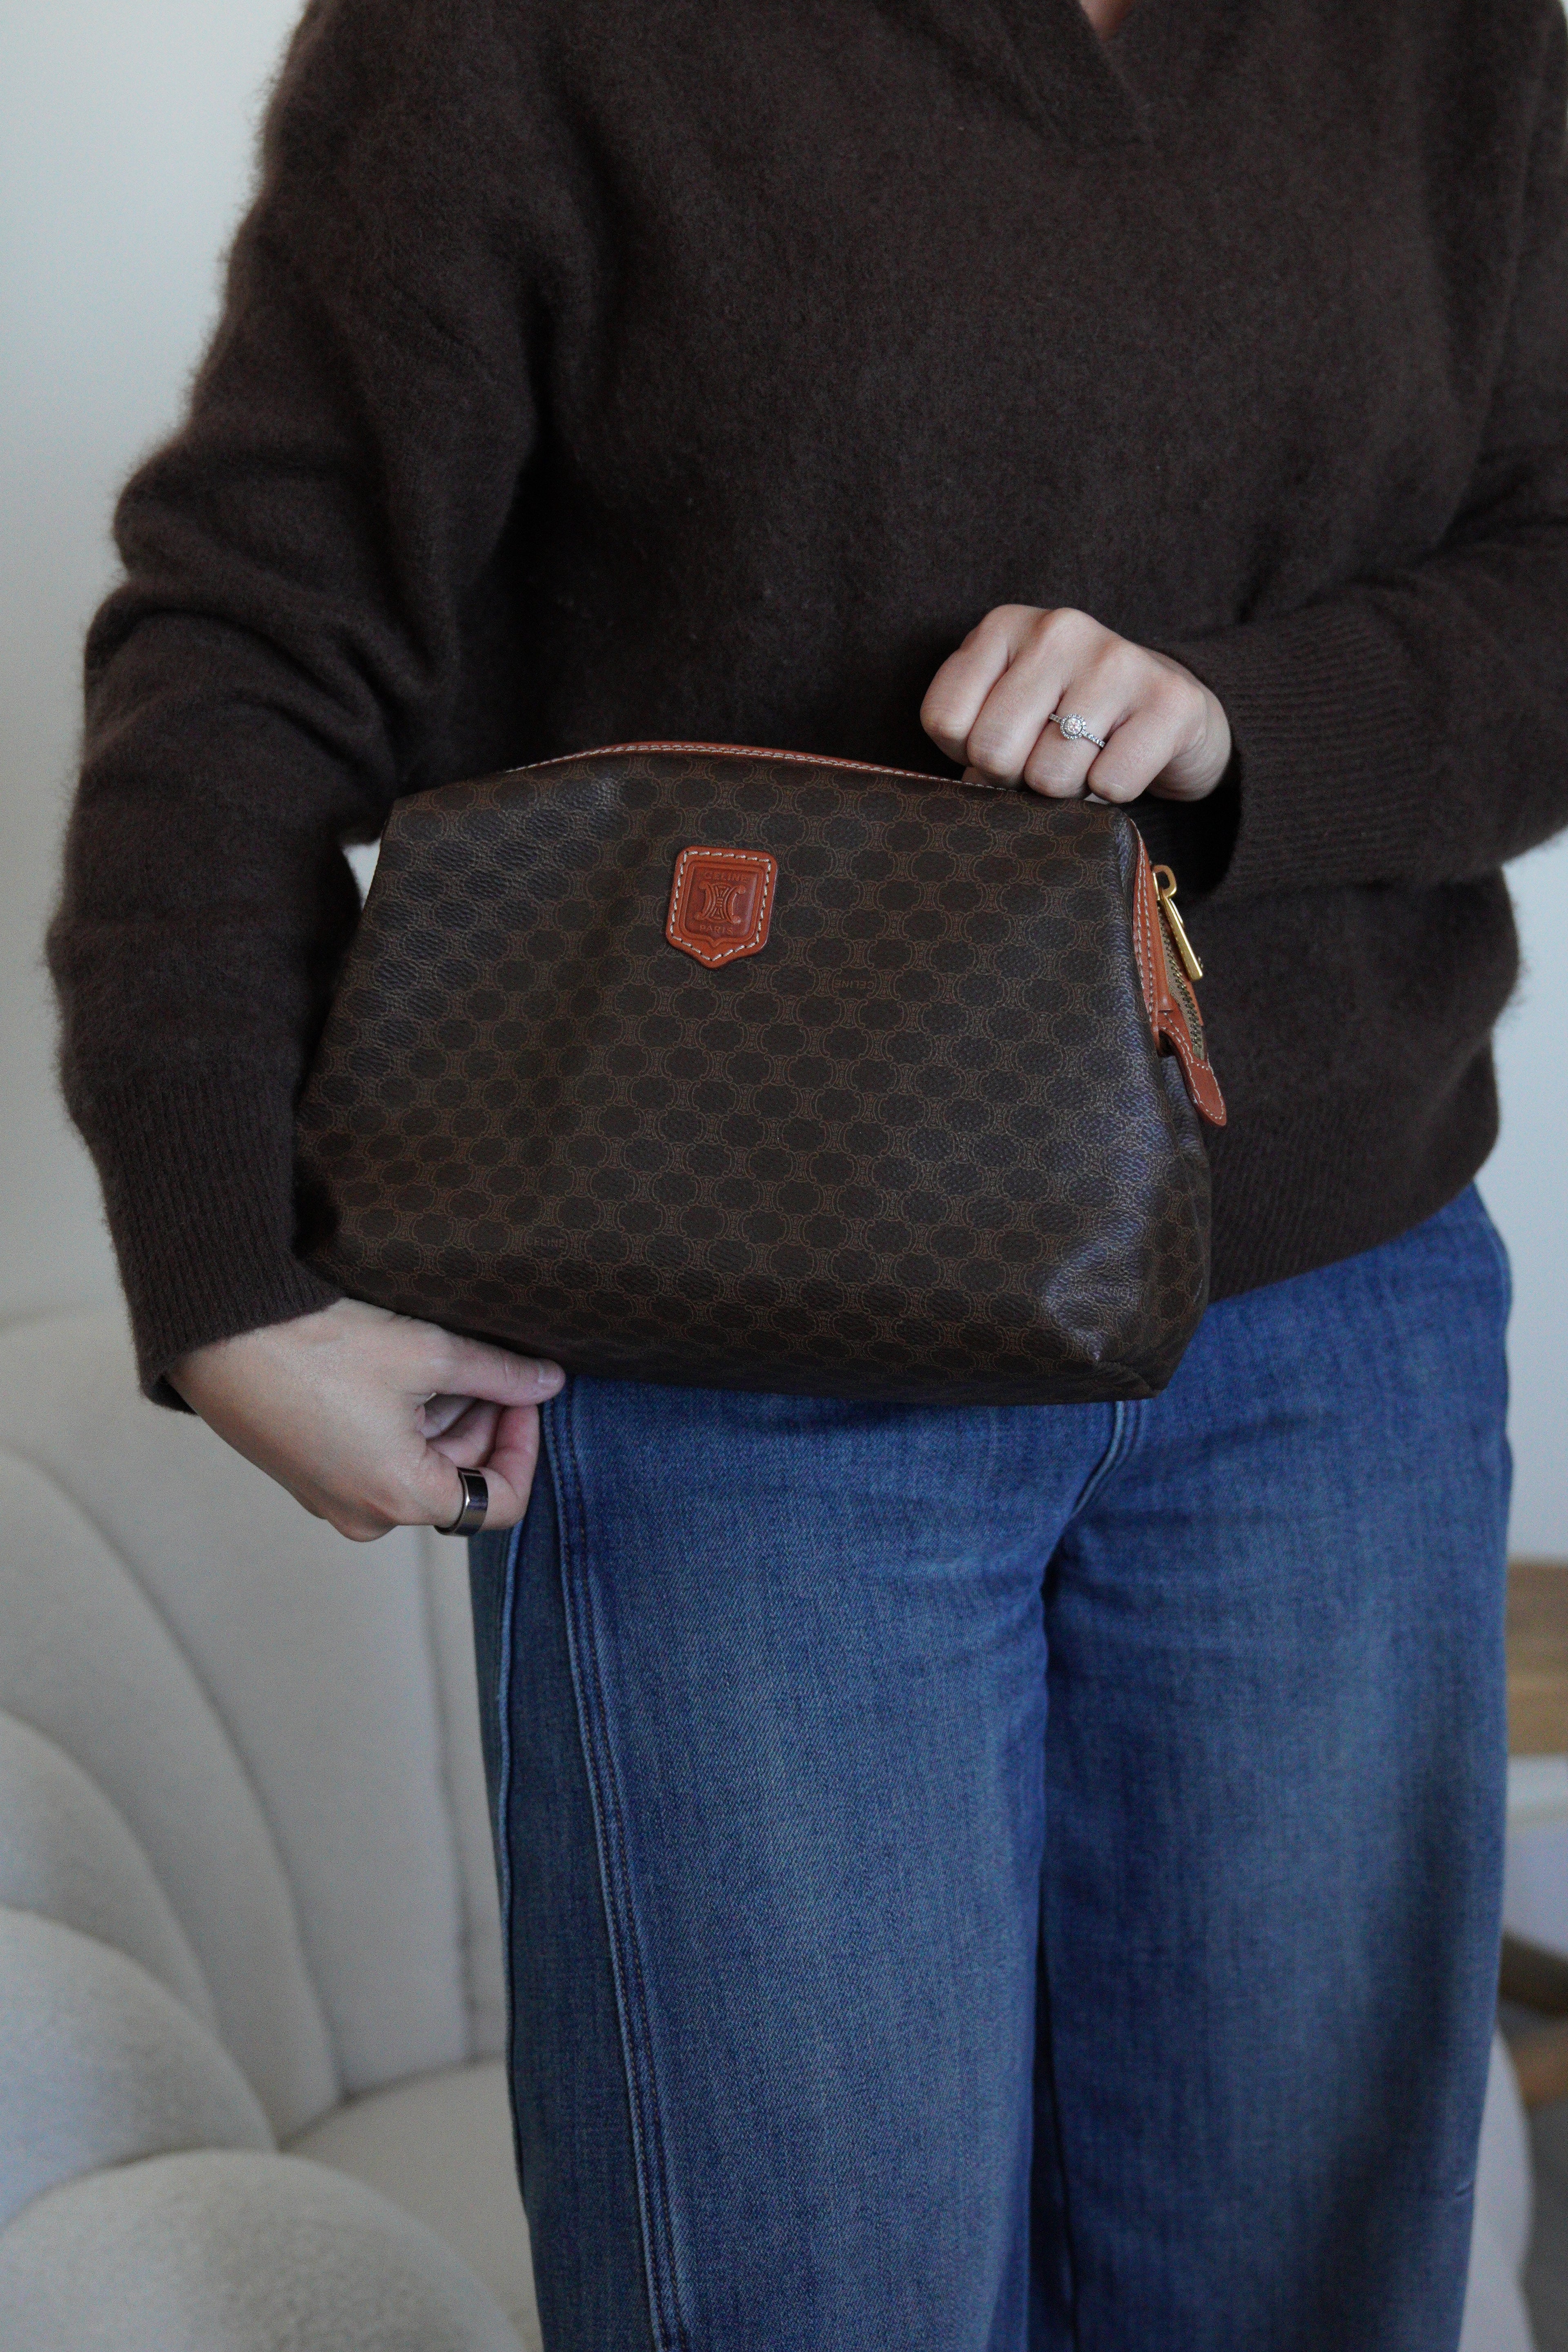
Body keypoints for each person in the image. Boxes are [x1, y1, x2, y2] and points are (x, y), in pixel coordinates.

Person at [47, 0, 1568, 2341]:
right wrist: (232, 1260)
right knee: (795, 2298)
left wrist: (1243, 718)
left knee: (1309, 2281)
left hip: (1334, 1338)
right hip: (734, 1380)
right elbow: (249, 634)